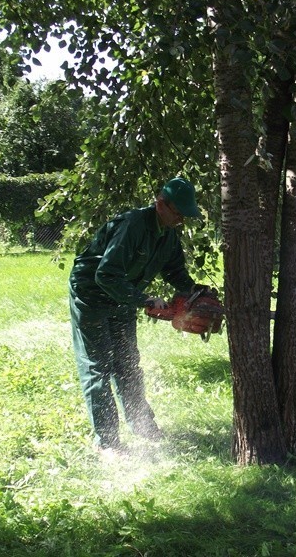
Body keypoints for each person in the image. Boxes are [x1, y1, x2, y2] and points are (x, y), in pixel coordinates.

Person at [68, 177, 204, 455]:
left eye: (184, 216)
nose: (180, 220)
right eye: (177, 213)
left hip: (123, 298)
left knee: (128, 364)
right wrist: (144, 299)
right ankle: (108, 443)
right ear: (160, 204)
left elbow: (174, 270)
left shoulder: (168, 234)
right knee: (99, 367)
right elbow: (105, 274)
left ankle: (142, 425)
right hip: (92, 295)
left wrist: (193, 292)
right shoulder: (132, 226)